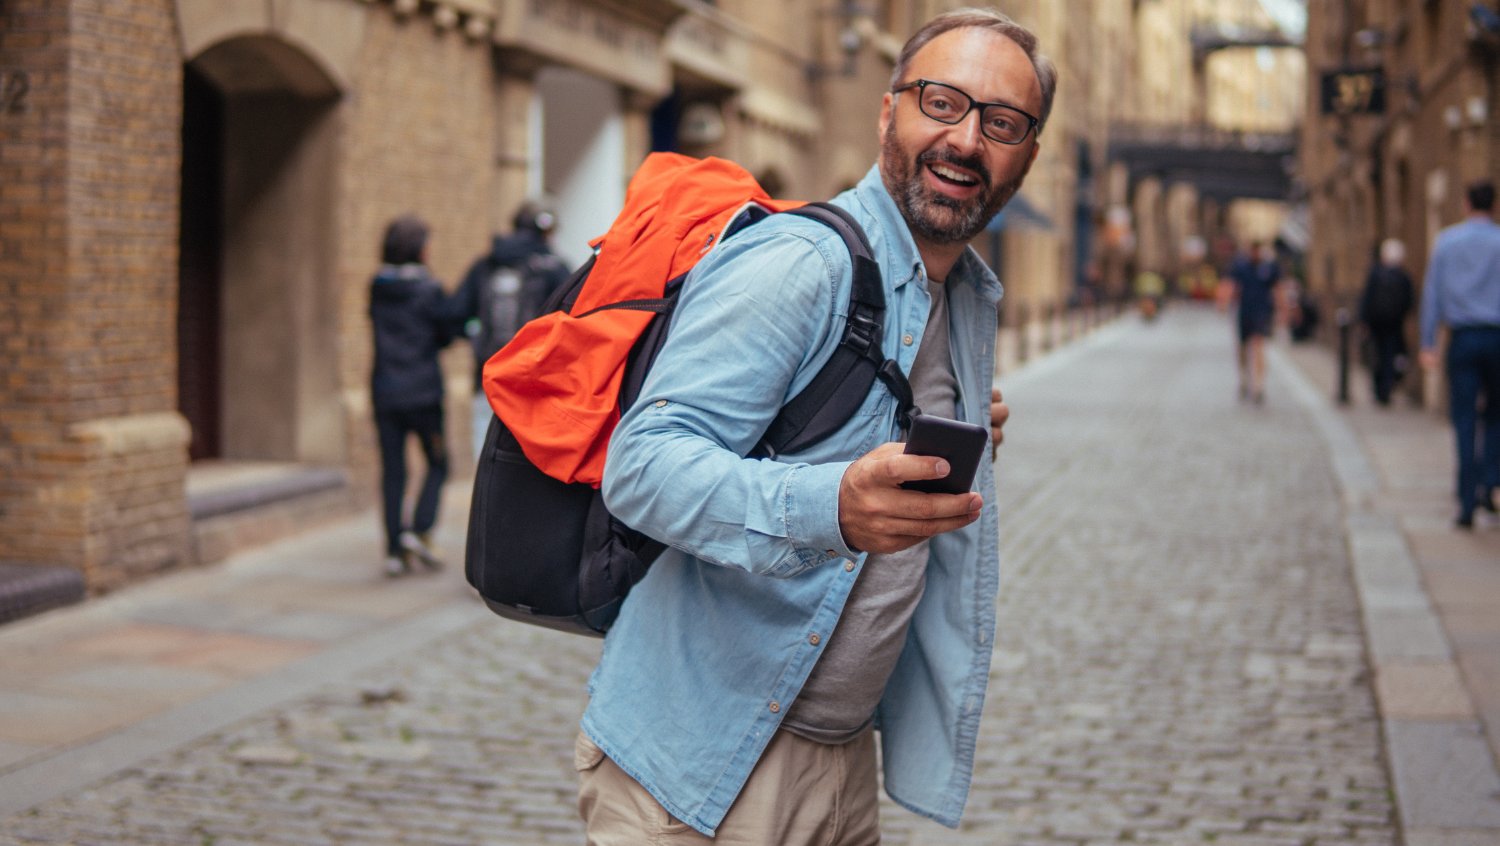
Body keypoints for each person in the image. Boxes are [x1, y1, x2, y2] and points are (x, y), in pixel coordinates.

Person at [576, 10, 1043, 843]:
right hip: (705, 768)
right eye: (942, 102)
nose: (967, 140)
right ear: (887, 113)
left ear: (1027, 155)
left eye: (1001, 122)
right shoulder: (802, 264)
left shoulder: (962, 297)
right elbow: (641, 466)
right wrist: (830, 506)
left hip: (840, 761)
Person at [368, 215, 462, 576]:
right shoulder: (430, 289)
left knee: (393, 471)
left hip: (385, 392)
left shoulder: (377, 286)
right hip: (423, 394)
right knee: (438, 463)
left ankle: (394, 548)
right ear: (417, 248)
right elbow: (446, 333)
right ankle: (421, 531)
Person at [453, 203, 572, 459]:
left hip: (488, 374)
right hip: (536, 378)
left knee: (486, 451)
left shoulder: (485, 265)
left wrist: (472, 335)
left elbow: (454, 312)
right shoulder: (553, 268)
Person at [1419, 180, 1500, 529]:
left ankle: (1466, 501)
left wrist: (1428, 343)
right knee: (1497, 417)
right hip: (1497, 338)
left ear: (1466, 204)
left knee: (1464, 420)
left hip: (1462, 339)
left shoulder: (1447, 242)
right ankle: (1490, 485)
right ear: (1494, 206)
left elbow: (1431, 294)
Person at [1360, 238, 1414, 405]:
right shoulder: (1403, 277)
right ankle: (1387, 387)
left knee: (1378, 353)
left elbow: (1367, 298)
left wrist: (1364, 320)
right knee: (1390, 354)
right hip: (1394, 323)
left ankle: (1379, 388)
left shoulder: (1375, 274)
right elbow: (1409, 301)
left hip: (1377, 323)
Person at [1230, 242, 1279, 403]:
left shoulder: (1268, 268)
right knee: (1243, 348)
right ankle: (1244, 378)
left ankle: (1258, 385)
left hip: (1262, 312)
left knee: (1258, 347)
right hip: (1245, 312)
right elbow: (1232, 286)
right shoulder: (1241, 267)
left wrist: (1284, 310)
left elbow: (1278, 288)